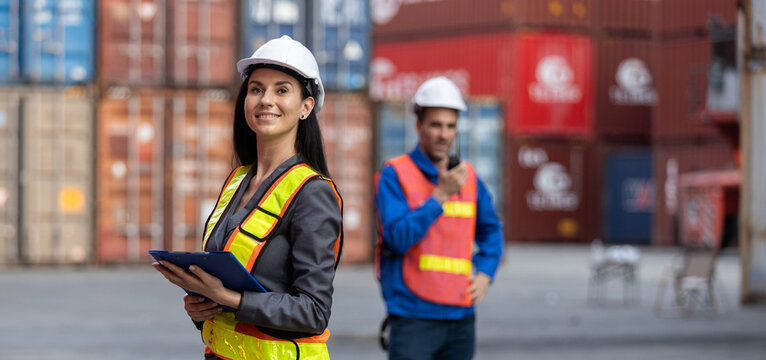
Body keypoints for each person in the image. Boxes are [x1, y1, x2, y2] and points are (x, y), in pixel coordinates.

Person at [153, 35, 343, 360]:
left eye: (281, 90)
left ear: (305, 107)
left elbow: (313, 312)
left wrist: (229, 298)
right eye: (256, 89)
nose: (266, 99)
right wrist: (203, 308)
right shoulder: (237, 182)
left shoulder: (313, 193)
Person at [375, 76, 504, 360]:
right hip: (412, 317)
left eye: (450, 126)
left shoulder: (469, 178)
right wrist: (440, 196)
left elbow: (492, 231)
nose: (444, 134)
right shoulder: (395, 175)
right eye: (435, 125)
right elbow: (396, 239)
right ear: (418, 126)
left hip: (461, 317)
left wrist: (485, 273)